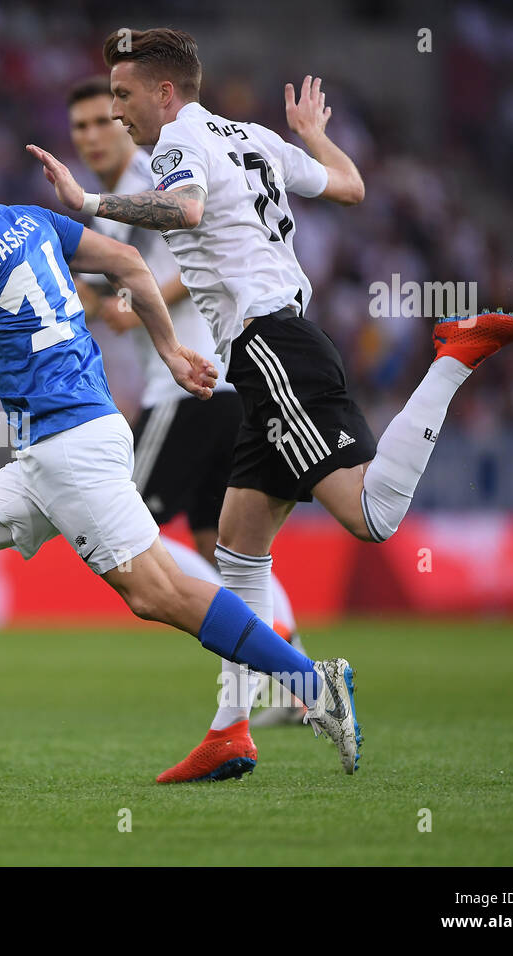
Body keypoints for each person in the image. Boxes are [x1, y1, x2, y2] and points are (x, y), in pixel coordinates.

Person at [0, 127, 362, 775]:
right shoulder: (30, 221)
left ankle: (313, 683)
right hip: (63, 443)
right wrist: (166, 348)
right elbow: (131, 265)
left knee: (158, 593)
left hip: (67, 446)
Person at [27, 28, 513, 770]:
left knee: (371, 515)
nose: (117, 111)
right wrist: (316, 138)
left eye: (125, 96)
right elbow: (352, 187)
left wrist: (88, 199)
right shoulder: (255, 136)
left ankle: (454, 359)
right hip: (267, 352)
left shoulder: (176, 142)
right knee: (236, 550)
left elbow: (186, 212)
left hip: (269, 349)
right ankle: (232, 729)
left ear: (166, 94)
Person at [64, 75, 307, 784]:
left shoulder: (153, 173)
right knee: (219, 545)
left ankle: (279, 650)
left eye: (105, 118)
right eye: (80, 125)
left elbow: (185, 242)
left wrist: (137, 294)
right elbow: (116, 280)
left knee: (126, 525)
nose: (93, 132)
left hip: (190, 388)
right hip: (219, 385)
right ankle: (293, 673)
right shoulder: (113, 207)